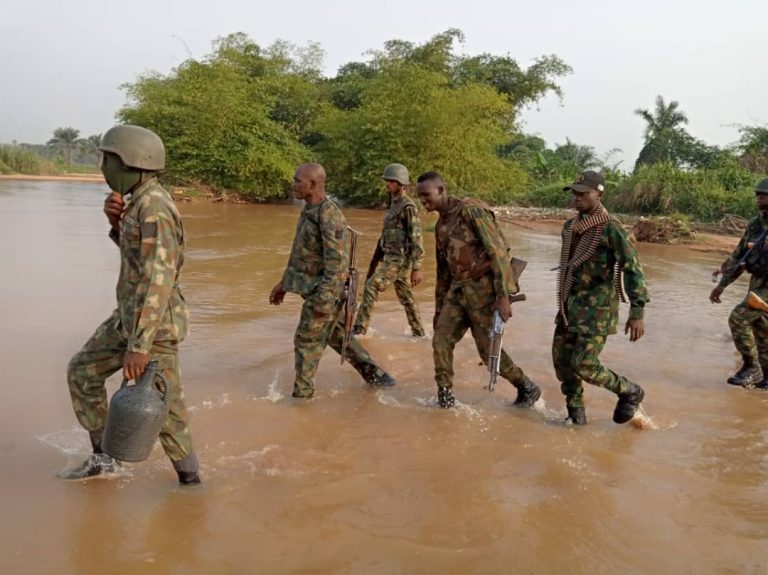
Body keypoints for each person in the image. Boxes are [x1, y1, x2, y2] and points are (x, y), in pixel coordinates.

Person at [62, 125, 201, 484]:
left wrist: (139, 346)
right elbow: (140, 259)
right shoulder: (137, 202)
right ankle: (104, 459)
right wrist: (115, 224)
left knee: (167, 411)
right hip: (128, 317)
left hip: (153, 327)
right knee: (82, 371)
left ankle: (191, 483)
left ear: (128, 162)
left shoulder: (154, 207)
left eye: (107, 158)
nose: (103, 167)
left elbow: (160, 278)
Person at [415, 171, 542, 408]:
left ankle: (526, 386)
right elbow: (443, 271)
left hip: (485, 290)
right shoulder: (440, 225)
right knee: (440, 340)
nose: (423, 201)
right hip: (457, 290)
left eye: (426, 195)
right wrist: (438, 309)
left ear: (441, 190)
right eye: (419, 196)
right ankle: (445, 397)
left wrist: (504, 295)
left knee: (488, 352)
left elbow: (498, 252)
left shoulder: (470, 210)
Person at [269, 163, 397, 398]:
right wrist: (283, 284)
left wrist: (322, 302)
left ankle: (302, 399)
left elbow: (337, 266)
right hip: (314, 290)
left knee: (306, 343)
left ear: (313, 184)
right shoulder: (309, 210)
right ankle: (379, 377)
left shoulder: (329, 214)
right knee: (338, 338)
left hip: (324, 294)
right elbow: (300, 254)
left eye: (298, 180)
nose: (293, 184)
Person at [553, 170, 649, 425]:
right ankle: (576, 416)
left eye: (584, 193)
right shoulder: (570, 227)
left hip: (596, 311)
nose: (577, 197)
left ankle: (629, 391)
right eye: (574, 192)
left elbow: (633, 269)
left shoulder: (611, 229)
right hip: (568, 307)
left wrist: (637, 312)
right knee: (562, 363)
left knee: (584, 365)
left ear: (599, 193)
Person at [353, 163, 425, 337]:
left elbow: (417, 237)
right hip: (390, 258)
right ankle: (420, 333)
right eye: (387, 181)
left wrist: (417, 267)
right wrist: (373, 262)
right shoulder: (392, 205)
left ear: (401, 184)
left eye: (391, 181)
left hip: (399, 260)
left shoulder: (408, 207)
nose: (387, 184)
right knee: (406, 298)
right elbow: (384, 236)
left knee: (371, 286)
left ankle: (359, 330)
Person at [710, 177, 768, 389]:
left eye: (764, 194)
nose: (759, 197)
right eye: (758, 193)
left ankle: (751, 367)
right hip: (758, 283)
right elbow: (739, 257)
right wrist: (722, 285)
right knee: (761, 331)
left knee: (738, 318)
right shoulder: (755, 225)